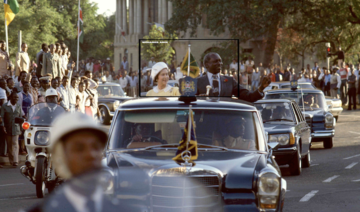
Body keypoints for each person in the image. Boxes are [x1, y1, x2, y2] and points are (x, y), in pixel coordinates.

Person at [25, 112, 122, 212]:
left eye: (96, 147)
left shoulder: (123, 208)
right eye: (79, 148)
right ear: (61, 156)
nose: (91, 155)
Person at [196, 53, 270, 101]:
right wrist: (198, 98)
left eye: (220, 61)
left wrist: (261, 88)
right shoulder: (197, 82)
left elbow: (248, 96)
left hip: (226, 122)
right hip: (204, 122)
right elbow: (187, 101)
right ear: (206, 64)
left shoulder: (229, 81)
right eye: (216, 61)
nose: (219, 64)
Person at [0, 91, 25, 167]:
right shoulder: (5, 106)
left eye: (17, 98)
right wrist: (3, 126)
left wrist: (21, 129)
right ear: (10, 98)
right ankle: (11, 160)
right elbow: (2, 118)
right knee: (9, 145)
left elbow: (20, 118)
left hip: (16, 128)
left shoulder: (18, 106)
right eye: (14, 97)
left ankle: (15, 161)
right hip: (7, 128)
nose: (16, 99)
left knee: (15, 144)